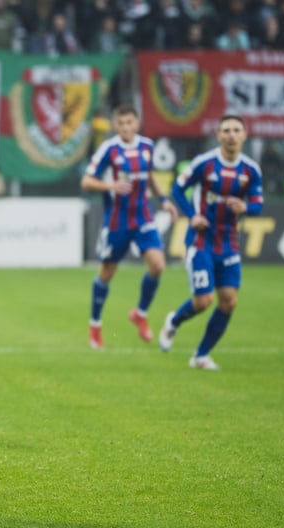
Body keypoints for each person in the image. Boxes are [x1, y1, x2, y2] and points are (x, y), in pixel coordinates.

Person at [158, 115, 264, 370]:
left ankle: (201, 355)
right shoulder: (204, 164)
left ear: (244, 135)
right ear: (218, 135)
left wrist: (246, 207)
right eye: (226, 130)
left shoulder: (250, 170)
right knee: (203, 301)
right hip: (201, 242)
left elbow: (258, 205)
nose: (231, 134)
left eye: (236, 130)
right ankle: (173, 321)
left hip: (228, 243)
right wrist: (192, 215)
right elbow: (176, 190)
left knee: (229, 301)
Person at [81, 104, 178, 350]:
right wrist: (110, 187)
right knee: (107, 273)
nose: (125, 127)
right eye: (121, 123)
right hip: (117, 220)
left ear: (136, 124)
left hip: (143, 216)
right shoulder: (109, 149)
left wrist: (164, 200)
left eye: (129, 123)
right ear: (116, 126)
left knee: (158, 265)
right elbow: (87, 180)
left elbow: (150, 175)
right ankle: (95, 325)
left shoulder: (147, 145)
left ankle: (140, 314)